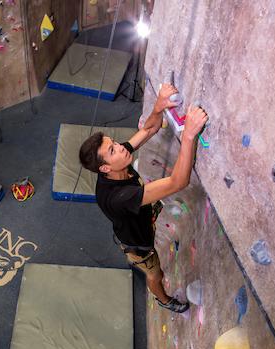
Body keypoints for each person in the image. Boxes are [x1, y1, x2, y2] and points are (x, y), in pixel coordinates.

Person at [79, 83, 208, 313]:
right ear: (105, 169)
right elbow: (178, 182)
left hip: (140, 219)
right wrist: (189, 135)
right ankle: (164, 300)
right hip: (139, 245)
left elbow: (148, 130)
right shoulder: (120, 197)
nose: (120, 148)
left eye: (114, 143)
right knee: (155, 274)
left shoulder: (117, 163)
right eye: (112, 150)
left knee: (148, 206)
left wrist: (158, 106)